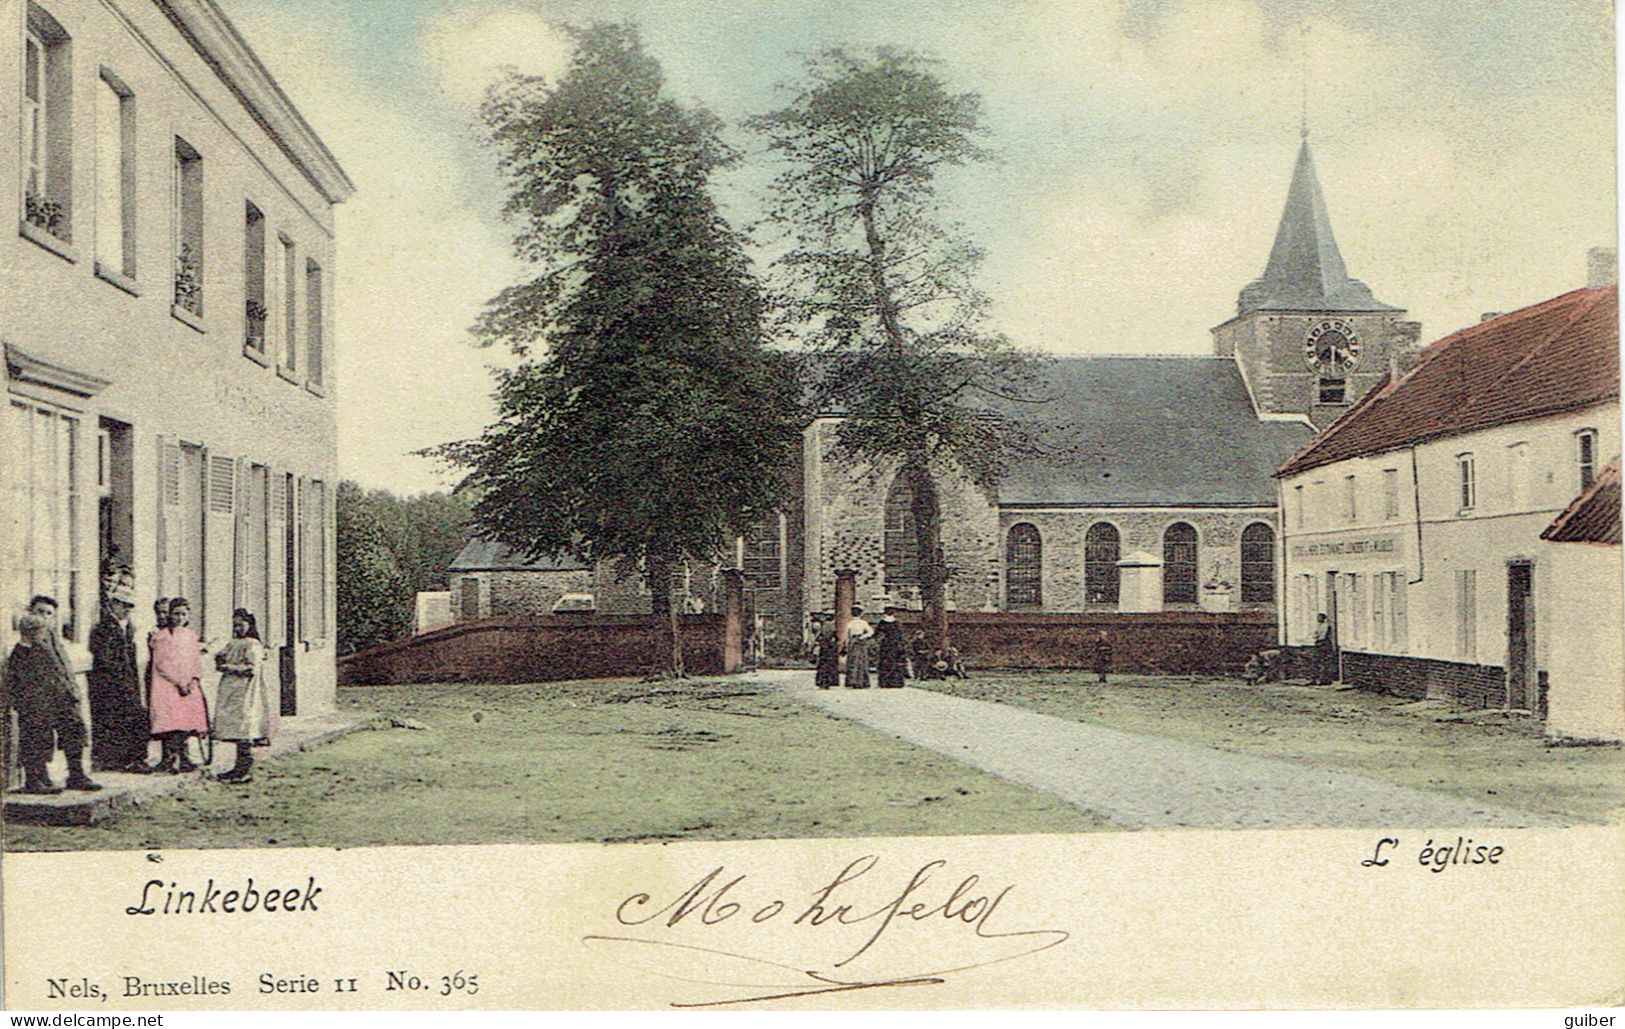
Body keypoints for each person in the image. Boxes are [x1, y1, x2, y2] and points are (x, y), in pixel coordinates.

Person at [4, 596, 101, 794]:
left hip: (62, 696)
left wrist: (72, 690)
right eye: (40, 612)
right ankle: (36, 778)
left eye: (49, 614)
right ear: (30, 613)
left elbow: (63, 667)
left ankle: (76, 774)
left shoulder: (55, 641)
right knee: (37, 737)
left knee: (74, 731)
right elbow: (16, 675)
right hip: (37, 701)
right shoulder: (24, 646)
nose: (44, 617)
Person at [88, 581, 152, 773]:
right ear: (112, 604)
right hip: (108, 683)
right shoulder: (103, 628)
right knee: (113, 720)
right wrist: (119, 679)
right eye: (122, 605)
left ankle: (133, 759)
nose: (126, 610)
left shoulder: (128, 628)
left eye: (129, 606)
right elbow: (104, 658)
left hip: (126, 682)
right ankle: (116, 760)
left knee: (136, 718)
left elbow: (131, 659)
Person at [213, 609, 275, 784]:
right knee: (235, 727)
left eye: (241, 624)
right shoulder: (233, 643)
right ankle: (237, 767)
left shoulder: (252, 644)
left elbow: (251, 668)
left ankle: (244, 769)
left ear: (250, 625)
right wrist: (219, 659)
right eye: (235, 625)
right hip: (231, 691)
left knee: (244, 727)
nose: (238, 628)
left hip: (245, 690)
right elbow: (223, 657)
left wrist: (230, 668)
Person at [148, 597, 210, 774]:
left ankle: (184, 758)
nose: (179, 618)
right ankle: (168, 759)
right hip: (168, 684)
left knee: (185, 721)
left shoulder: (190, 636)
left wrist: (194, 679)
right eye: (176, 614)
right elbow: (162, 664)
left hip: (188, 685)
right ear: (170, 615)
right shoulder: (162, 637)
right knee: (170, 722)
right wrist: (179, 682)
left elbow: (195, 661)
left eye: (183, 614)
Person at [876, 612, 908, 689]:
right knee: (895, 663)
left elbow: (877, 634)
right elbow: (901, 634)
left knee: (885, 662)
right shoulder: (897, 623)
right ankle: (896, 682)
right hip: (895, 645)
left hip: (886, 645)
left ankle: (885, 682)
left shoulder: (882, 622)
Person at [844, 606, 873, 688]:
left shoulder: (857, 623)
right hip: (857, 642)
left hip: (857, 642)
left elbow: (870, 632)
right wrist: (862, 637)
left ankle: (856, 681)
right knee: (857, 661)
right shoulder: (853, 623)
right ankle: (857, 681)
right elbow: (870, 632)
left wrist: (861, 637)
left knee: (857, 661)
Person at [812, 615, 840, 689]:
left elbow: (817, 638)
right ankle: (829, 682)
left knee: (822, 665)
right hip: (830, 649)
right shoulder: (832, 628)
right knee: (830, 666)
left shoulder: (823, 627)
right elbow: (836, 638)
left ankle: (821, 682)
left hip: (824, 648)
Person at [1312, 613, 1336, 685]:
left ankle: (1325, 679)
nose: (1318, 619)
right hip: (1318, 643)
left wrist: (1317, 636)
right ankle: (1318, 679)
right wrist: (1316, 636)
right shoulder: (1317, 626)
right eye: (1317, 617)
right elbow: (1314, 635)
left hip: (1324, 644)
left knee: (1324, 661)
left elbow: (1322, 636)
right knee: (1317, 661)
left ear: (1323, 618)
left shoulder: (1326, 626)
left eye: (1319, 617)